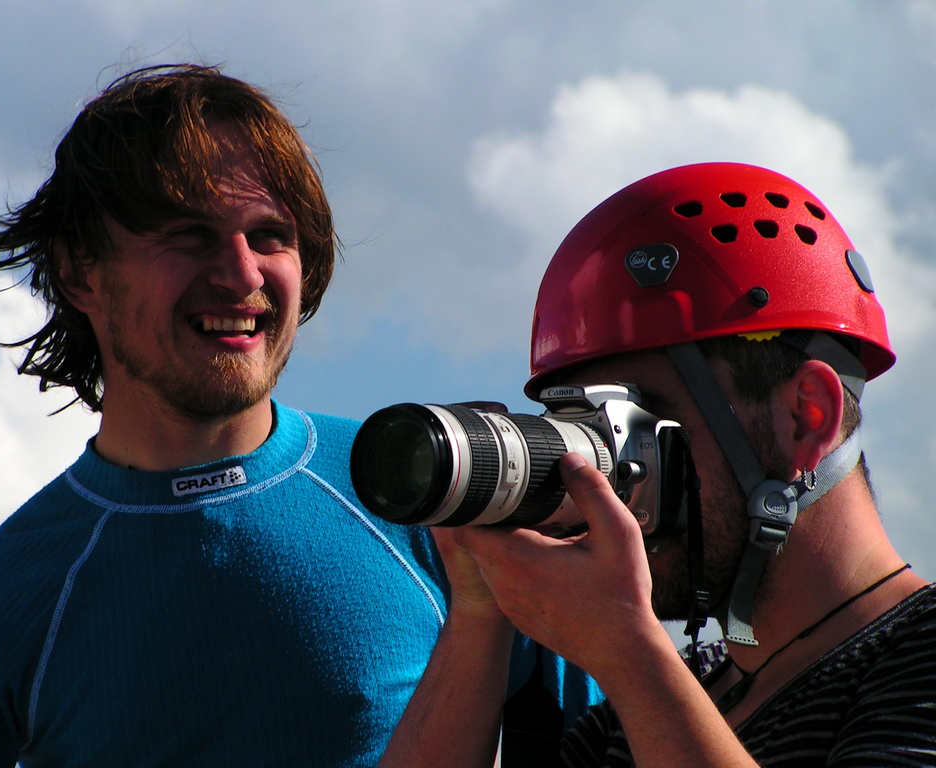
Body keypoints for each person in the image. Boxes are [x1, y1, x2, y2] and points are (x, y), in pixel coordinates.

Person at [0, 64, 600, 767]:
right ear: (80, 270)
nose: (241, 276)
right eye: (189, 235)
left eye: (271, 235)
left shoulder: (438, 495)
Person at [379, 162, 936, 767]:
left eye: (638, 424)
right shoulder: (636, 719)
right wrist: (481, 611)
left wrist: (628, 652)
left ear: (806, 416)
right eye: (586, 430)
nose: (608, 482)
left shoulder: (916, 656)